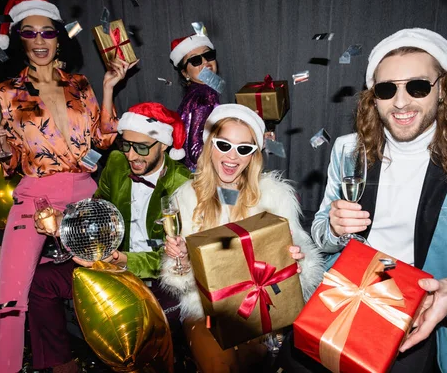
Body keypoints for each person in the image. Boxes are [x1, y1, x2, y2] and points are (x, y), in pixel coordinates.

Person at [280, 28, 447, 373]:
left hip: (421, 312)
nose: (400, 102)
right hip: (345, 294)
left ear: (442, 89)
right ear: (374, 98)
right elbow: (322, 234)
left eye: (417, 86)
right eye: (387, 89)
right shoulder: (347, 150)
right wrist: (335, 229)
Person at [0, 0, 138, 373]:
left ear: (57, 37)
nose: (38, 41)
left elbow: (102, 141)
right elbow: (11, 161)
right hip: (35, 200)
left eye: (46, 32)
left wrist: (109, 88)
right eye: (29, 33)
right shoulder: (5, 93)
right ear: (20, 38)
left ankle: (127, 360)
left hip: (85, 197)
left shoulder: (80, 85)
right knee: (11, 300)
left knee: (109, 283)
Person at [28, 102, 193, 373]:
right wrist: (65, 224)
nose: (131, 155)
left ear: (163, 145)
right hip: (107, 262)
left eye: (141, 147)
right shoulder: (117, 164)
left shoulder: (183, 185)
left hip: (156, 276)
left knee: (146, 328)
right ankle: (61, 363)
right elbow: (98, 210)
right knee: (42, 282)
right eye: (126, 145)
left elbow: (171, 257)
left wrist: (122, 259)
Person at [160, 103, 325, 373]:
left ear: (254, 156)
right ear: (209, 145)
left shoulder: (274, 195)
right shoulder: (187, 197)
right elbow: (181, 280)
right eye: (224, 145)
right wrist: (180, 260)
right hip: (206, 311)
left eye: (244, 148)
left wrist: (297, 261)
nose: (232, 157)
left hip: (265, 307)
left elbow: (303, 258)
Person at [169, 32, 221, 172]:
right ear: (185, 73)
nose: (205, 62)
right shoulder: (206, 95)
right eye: (196, 60)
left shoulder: (194, 94)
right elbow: (196, 151)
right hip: (204, 175)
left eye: (208, 55)